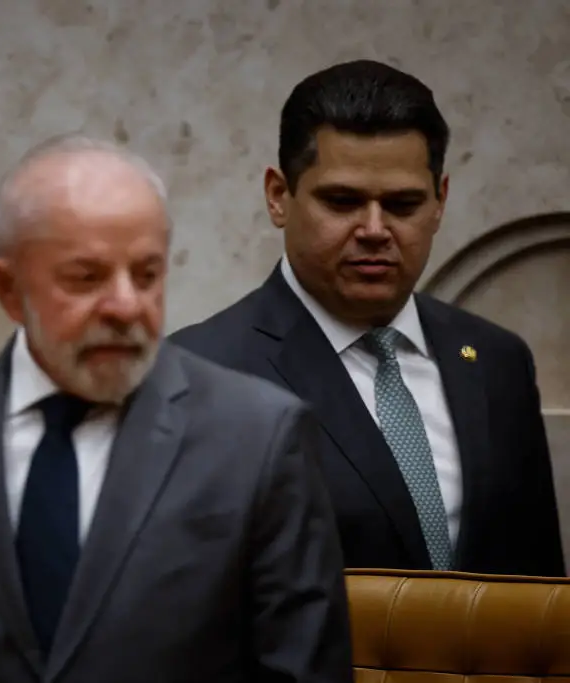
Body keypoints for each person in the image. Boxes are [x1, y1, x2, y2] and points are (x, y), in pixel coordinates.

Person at [0, 134, 353, 683]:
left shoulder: (258, 438)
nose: (126, 306)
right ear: (7, 290)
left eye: (146, 275)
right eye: (86, 277)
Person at [172, 60, 565, 576]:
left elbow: (540, 588)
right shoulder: (199, 375)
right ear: (278, 196)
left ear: (440, 201)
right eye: (342, 202)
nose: (375, 230)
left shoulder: (497, 361)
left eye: (403, 205)